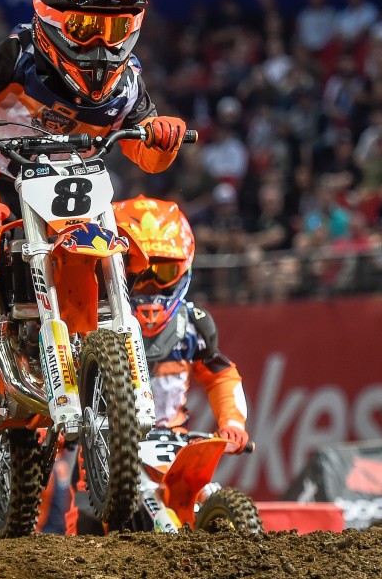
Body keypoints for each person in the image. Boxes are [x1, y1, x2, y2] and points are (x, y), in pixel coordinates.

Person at [0, 0, 188, 411]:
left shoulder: (127, 83)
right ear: (52, 18)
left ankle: (112, 356)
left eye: (116, 26)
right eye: (87, 25)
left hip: (76, 181)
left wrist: (162, 139)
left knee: (129, 245)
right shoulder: (19, 52)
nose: (102, 43)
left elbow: (145, 153)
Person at [66, 194, 250, 534]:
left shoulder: (193, 324)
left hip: (174, 444)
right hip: (106, 445)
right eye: (138, 272)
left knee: (203, 495)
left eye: (162, 272)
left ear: (183, 270)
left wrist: (233, 422)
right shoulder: (90, 321)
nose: (149, 285)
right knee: (89, 528)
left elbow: (222, 375)